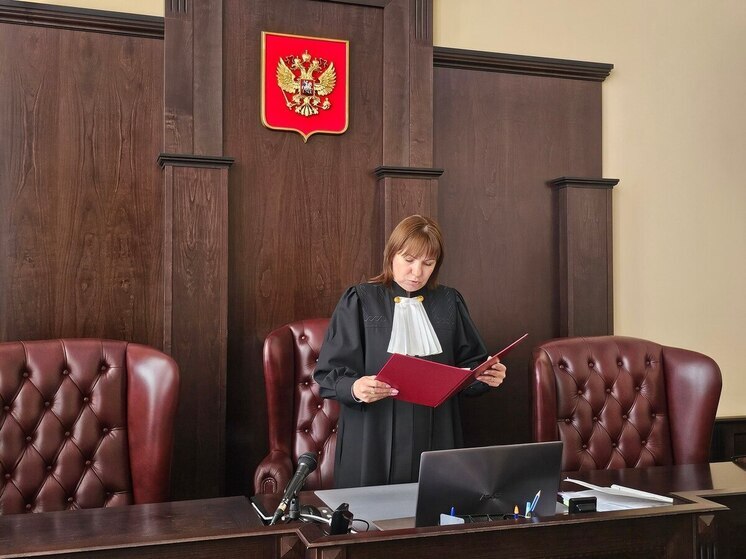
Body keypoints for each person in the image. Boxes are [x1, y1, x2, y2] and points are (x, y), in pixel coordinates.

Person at [313, 215, 507, 488]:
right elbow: (328, 373)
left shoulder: (449, 301)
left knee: (435, 505)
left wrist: (486, 376)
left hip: (436, 432)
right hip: (371, 436)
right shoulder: (359, 299)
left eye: (428, 263)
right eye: (409, 260)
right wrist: (355, 388)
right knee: (368, 511)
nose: (417, 273)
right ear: (391, 255)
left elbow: (471, 365)